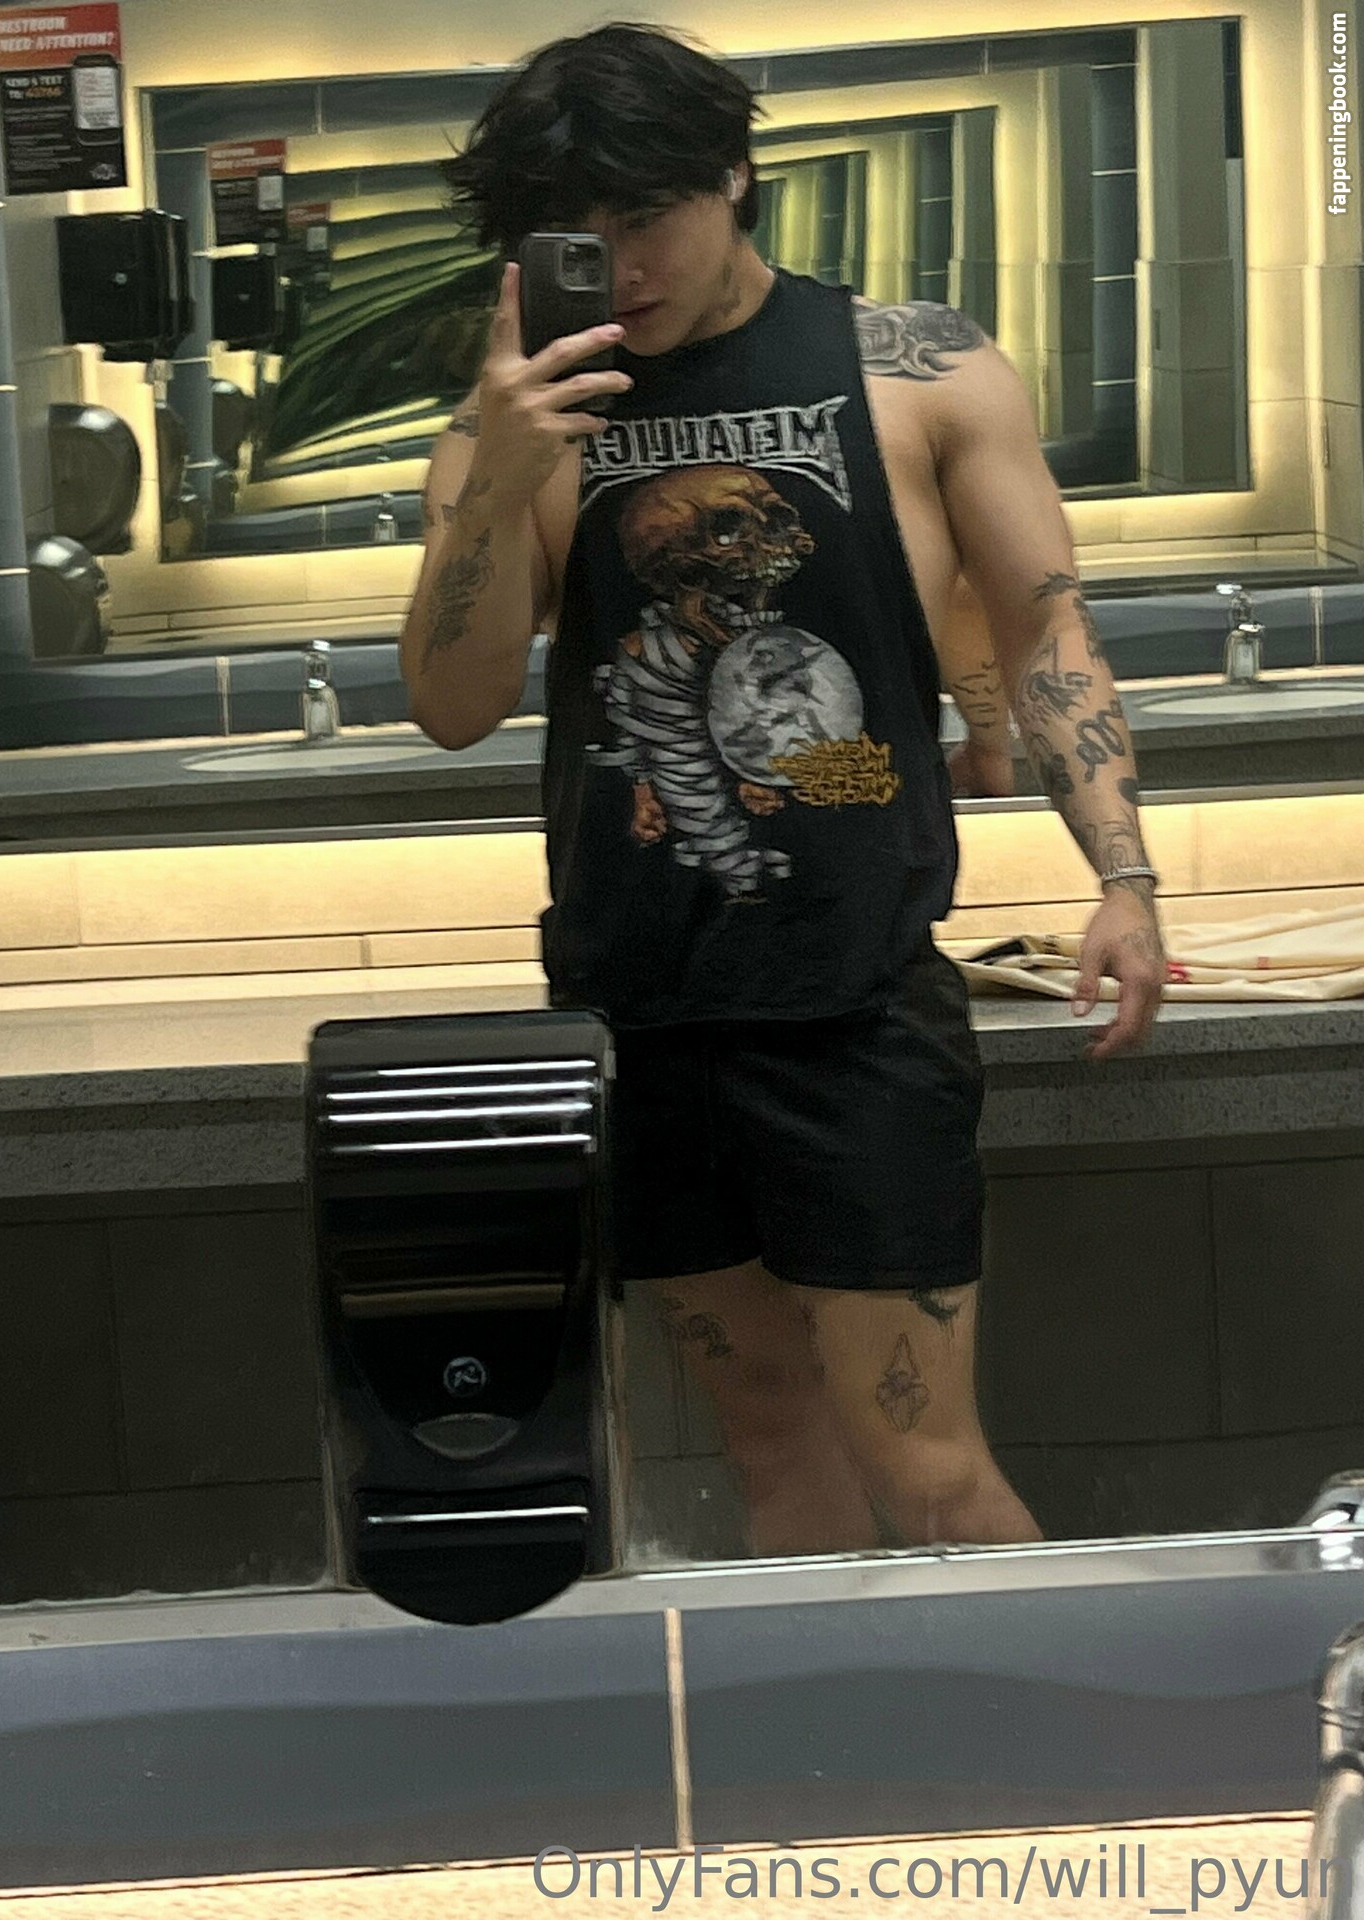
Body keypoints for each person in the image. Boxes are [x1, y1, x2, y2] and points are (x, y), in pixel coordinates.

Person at [400, 22, 1168, 1557]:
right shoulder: (519, 419)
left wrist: (1124, 879)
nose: (623, 269)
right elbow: (453, 706)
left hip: (852, 1003)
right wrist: (494, 481)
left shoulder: (914, 369)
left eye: (648, 219)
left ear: (735, 177)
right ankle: (845, 1724)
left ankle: (1061, 1716)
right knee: (772, 1455)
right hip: (638, 1005)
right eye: (579, 236)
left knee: (926, 1469)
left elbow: (1041, 630)